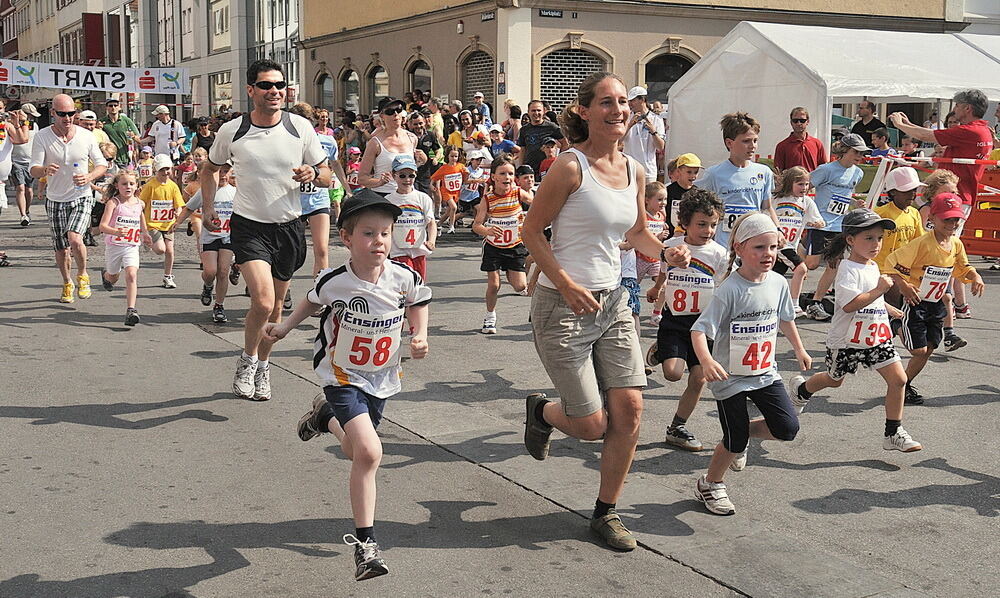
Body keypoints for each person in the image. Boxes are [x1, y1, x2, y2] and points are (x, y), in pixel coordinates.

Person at [521, 72, 690, 550]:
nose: (618, 110)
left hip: (613, 302)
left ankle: (606, 512)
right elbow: (531, 232)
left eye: (622, 102)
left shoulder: (635, 170)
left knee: (631, 409)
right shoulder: (569, 167)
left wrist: (666, 251)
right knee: (592, 427)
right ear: (585, 111)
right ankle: (542, 411)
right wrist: (566, 283)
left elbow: (636, 233)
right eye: (606, 102)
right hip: (563, 306)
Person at [263, 191, 431, 582]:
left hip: (381, 376)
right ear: (346, 238)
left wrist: (420, 334)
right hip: (340, 374)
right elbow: (311, 301)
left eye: (385, 233)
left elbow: (419, 300)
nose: (379, 241)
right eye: (369, 233)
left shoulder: (403, 276)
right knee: (370, 453)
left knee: (355, 450)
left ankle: (325, 418)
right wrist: (285, 327)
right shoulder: (335, 280)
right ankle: (366, 546)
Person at [200, 58, 330, 402]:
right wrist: (209, 207)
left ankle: (263, 365)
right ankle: (247, 360)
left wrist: (313, 174)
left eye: (279, 85)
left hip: (288, 227)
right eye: (266, 85)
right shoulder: (233, 130)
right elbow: (209, 169)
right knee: (262, 300)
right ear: (251, 90)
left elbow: (327, 174)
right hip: (249, 227)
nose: (274, 91)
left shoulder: (300, 127)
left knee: (276, 309)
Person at [690, 213, 810, 515]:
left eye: (773, 247)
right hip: (729, 378)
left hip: (765, 372)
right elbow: (699, 330)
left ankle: (741, 434)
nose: (768, 254)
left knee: (787, 428)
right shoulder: (729, 290)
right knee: (733, 440)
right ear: (739, 248)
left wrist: (799, 349)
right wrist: (706, 361)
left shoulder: (778, 283)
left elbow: (785, 319)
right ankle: (711, 483)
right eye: (759, 247)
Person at [788, 208, 919, 451]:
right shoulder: (847, 269)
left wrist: (886, 306)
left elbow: (869, 295)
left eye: (879, 238)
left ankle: (893, 432)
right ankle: (801, 390)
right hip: (847, 341)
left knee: (899, 380)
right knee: (834, 380)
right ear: (850, 240)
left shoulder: (873, 266)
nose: (876, 244)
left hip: (876, 338)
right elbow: (849, 304)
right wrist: (880, 290)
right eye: (868, 238)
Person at [889, 90, 994, 321]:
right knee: (941, 249)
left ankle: (942, 306)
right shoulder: (982, 130)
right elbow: (932, 134)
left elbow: (929, 135)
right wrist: (908, 124)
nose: (954, 110)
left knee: (942, 252)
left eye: (957, 106)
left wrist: (900, 125)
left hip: (953, 198)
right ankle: (953, 304)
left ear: (967, 108)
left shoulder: (970, 131)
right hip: (953, 197)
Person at [644, 189, 729, 451]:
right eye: (701, 224)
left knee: (699, 378)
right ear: (685, 223)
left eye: (713, 225)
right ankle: (662, 349)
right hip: (675, 322)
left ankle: (677, 427)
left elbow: (724, 285)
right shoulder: (672, 246)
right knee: (672, 374)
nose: (708, 230)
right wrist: (657, 287)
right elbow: (664, 269)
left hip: (703, 325)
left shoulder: (719, 254)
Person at [884, 192, 985, 405]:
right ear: (931, 217)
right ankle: (896, 323)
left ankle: (904, 385)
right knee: (918, 350)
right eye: (946, 219)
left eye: (956, 219)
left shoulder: (956, 244)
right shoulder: (922, 243)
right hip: (915, 302)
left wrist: (976, 276)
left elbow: (963, 267)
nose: (951, 224)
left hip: (936, 304)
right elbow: (891, 264)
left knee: (929, 349)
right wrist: (904, 286)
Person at [29, 94, 106, 303]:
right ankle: (67, 282)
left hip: (81, 195)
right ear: (53, 113)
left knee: (75, 238)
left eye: (71, 113)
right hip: (55, 199)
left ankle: (83, 275)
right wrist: (45, 169)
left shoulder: (86, 136)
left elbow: (102, 164)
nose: (67, 118)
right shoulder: (42, 136)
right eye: (62, 114)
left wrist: (89, 177)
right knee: (61, 248)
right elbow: (33, 169)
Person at [802, 135, 868, 320]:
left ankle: (816, 302)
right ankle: (797, 251)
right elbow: (804, 187)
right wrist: (804, 211)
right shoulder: (826, 170)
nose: (859, 156)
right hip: (820, 223)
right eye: (856, 152)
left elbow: (844, 195)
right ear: (844, 150)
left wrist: (855, 202)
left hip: (840, 225)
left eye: (862, 153)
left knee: (834, 264)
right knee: (812, 265)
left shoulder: (858, 173)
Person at [695, 112, 780, 249]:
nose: (752, 146)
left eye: (755, 141)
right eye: (746, 141)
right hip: (724, 246)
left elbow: (767, 208)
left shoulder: (764, 172)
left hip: (753, 245)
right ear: (729, 143)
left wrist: (778, 230)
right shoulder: (714, 174)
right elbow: (698, 208)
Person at [472, 155, 532, 334]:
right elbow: (476, 225)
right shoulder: (488, 199)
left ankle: (509, 270)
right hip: (494, 247)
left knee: (520, 286)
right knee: (494, 285)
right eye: (503, 173)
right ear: (493, 177)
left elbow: (538, 204)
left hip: (514, 246)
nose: (507, 177)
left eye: (511, 174)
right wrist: (487, 231)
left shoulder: (518, 193)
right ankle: (490, 317)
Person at [176, 162, 236, 323]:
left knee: (223, 271)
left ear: (231, 173)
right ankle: (208, 285)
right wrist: (177, 223)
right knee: (210, 271)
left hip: (227, 237)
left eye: (226, 171)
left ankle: (219, 306)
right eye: (219, 171)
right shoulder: (206, 191)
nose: (222, 175)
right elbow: (188, 208)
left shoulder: (235, 193)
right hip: (209, 237)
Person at [767, 166, 825, 316]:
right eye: (800, 184)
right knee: (801, 269)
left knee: (773, 278)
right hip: (778, 244)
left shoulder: (807, 202)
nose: (804, 188)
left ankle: (769, 305)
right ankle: (794, 305)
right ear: (789, 183)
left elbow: (819, 220)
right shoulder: (776, 199)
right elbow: (766, 213)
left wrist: (818, 223)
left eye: (806, 184)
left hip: (791, 245)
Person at [98, 169, 152, 326]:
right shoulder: (113, 203)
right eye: (124, 184)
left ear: (136, 186)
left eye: (131, 184)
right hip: (114, 246)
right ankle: (106, 275)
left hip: (131, 246)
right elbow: (102, 226)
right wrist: (116, 231)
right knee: (113, 277)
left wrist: (145, 233)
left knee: (131, 275)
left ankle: (131, 310)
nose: (128, 187)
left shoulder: (139, 203)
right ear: (117, 185)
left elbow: (140, 217)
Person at [358, 97, 420, 197]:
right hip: (384, 195)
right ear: (382, 116)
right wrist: (380, 182)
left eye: (399, 109)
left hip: (408, 195)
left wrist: (422, 160)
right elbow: (362, 178)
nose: (395, 114)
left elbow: (410, 167)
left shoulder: (412, 138)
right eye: (390, 111)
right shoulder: (375, 143)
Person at [139, 154, 186, 288]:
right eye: (162, 170)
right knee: (160, 249)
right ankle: (148, 241)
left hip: (169, 224)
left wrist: (178, 212)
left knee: (170, 251)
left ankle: (168, 276)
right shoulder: (150, 185)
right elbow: (142, 202)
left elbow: (178, 204)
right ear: (156, 170)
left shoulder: (173, 186)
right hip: (153, 224)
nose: (165, 172)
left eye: (167, 169)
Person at [386, 154, 436, 280]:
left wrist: (431, 241)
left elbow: (431, 222)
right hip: (398, 250)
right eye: (402, 175)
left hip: (419, 249)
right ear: (394, 175)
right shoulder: (389, 200)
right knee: (405, 281)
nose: (407, 179)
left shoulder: (423, 198)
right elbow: (386, 227)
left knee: (419, 283)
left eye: (411, 176)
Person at [636, 181, 669, 325]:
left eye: (665, 199)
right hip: (640, 258)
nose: (663, 203)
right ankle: (628, 309)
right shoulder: (642, 216)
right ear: (647, 200)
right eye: (660, 199)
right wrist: (658, 237)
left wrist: (664, 231)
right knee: (632, 286)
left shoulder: (661, 215)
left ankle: (656, 313)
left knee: (664, 286)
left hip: (655, 258)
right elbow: (641, 237)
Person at [622, 86, 665, 184]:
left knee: (649, 194)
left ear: (642, 99)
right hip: (629, 169)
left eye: (633, 100)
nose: (630, 104)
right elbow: (618, 142)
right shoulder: (626, 118)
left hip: (648, 171)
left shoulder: (656, 119)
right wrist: (629, 126)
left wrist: (653, 132)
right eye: (629, 101)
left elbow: (660, 147)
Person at [517, 100, 566, 177]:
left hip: (548, 168)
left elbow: (565, 143)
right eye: (533, 110)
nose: (536, 113)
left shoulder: (552, 127)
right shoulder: (524, 130)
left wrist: (559, 159)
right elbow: (522, 150)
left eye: (539, 110)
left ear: (544, 111)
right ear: (528, 112)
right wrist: (521, 167)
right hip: (530, 168)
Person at [773, 107, 827, 172]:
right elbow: (778, 172)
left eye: (802, 120)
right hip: (791, 179)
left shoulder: (817, 144)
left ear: (807, 122)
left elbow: (823, 168)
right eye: (795, 121)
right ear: (791, 122)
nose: (799, 123)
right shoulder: (782, 146)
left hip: (812, 178)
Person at [11, 103, 39, 226]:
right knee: (20, 187)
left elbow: (36, 142)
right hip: (16, 161)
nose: (31, 118)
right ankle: (23, 215)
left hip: (30, 161)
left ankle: (27, 211)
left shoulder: (34, 126)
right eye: (29, 115)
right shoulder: (12, 124)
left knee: (29, 190)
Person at [429, 145, 468, 234]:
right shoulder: (444, 168)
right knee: (454, 207)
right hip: (446, 191)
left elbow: (465, 178)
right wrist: (431, 185)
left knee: (448, 212)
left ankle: (438, 224)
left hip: (456, 192)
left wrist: (467, 173)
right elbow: (434, 177)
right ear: (448, 156)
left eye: (456, 156)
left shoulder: (461, 166)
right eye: (452, 156)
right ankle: (451, 226)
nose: (454, 158)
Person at [664, 153, 700, 238]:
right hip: (670, 236)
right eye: (689, 172)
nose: (693, 176)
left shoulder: (697, 193)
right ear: (678, 171)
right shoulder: (668, 191)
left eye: (696, 172)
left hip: (690, 237)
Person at [101, 97, 141, 168]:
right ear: (106, 107)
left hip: (124, 158)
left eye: (115, 105)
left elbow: (139, 139)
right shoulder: (102, 121)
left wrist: (133, 136)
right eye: (110, 106)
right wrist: (99, 128)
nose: (113, 107)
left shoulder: (126, 120)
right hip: (108, 159)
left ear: (119, 107)